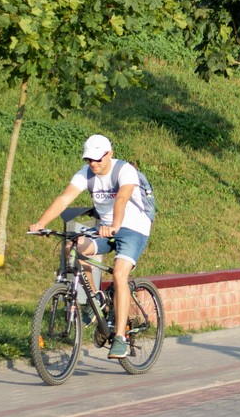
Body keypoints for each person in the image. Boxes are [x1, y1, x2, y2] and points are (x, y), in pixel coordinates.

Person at [30, 134, 152, 360]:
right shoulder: (85, 174)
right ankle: (96, 298)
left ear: (109, 154)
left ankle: (120, 339)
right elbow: (64, 199)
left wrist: (115, 226)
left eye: (98, 159)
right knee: (73, 246)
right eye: (89, 159)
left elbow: (121, 199)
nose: (93, 163)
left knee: (119, 274)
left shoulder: (124, 171)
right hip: (105, 227)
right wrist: (41, 223)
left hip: (133, 227)